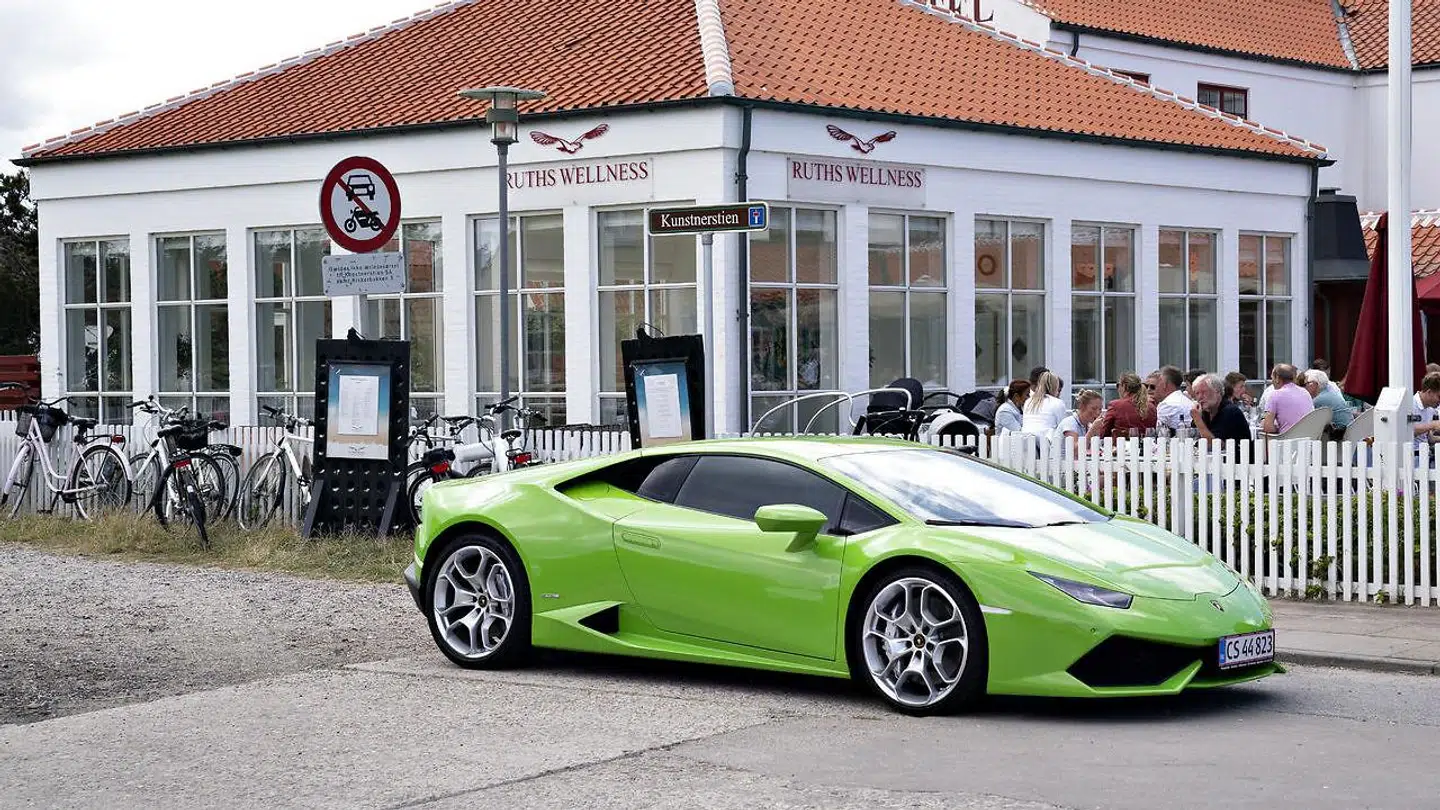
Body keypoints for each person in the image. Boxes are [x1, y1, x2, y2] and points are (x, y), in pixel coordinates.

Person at [1087, 372, 1156, 438]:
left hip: (1121, 447)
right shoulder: (1152, 407)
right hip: (1147, 447)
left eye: (1118, 385)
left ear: (1124, 386)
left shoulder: (1115, 405)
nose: (1118, 389)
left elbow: (1104, 433)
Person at [1190, 373, 1251, 443]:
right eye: (1197, 393)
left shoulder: (1230, 411)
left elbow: (1214, 444)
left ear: (1217, 392)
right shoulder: (1205, 411)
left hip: (1238, 453)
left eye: (1204, 392)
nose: (1200, 397)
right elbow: (1194, 437)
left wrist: (1198, 420)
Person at [1262, 363, 1314, 434]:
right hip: (1307, 439)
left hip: (1286, 441)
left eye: (1272, 378)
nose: (1272, 381)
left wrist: (1279, 428)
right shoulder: (1305, 392)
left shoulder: (1275, 395)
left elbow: (1268, 427)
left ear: (1277, 378)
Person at [1021, 371, 1068, 435]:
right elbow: (1063, 426)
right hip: (1046, 441)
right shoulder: (1057, 403)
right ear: (1055, 387)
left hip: (1025, 439)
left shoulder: (1028, 402)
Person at [1153, 365, 1193, 429]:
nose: (1156, 388)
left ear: (1164, 384)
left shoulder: (1166, 405)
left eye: (1157, 384)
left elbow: (1161, 434)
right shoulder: (1189, 402)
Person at [1413, 372, 1440, 450]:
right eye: (1439, 396)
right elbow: (1406, 431)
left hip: (1424, 454)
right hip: (1411, 455)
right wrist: (1433, 425)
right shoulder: (1409, 404)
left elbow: (1429, 439)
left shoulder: (1430, 409)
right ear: (1429, 392)